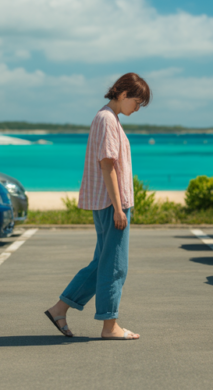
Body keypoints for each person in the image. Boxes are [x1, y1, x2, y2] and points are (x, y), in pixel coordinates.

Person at [44, 73, 150, 340]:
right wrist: (118, 207)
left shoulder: (107, 118)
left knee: (101, 263)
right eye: (137, 102)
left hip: (107, 202)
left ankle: (59, 309)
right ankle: (109, 326)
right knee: (115, 266)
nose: (137, 109)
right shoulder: (107, 119)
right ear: (123, 94)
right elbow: (107, 164)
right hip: (111, 203)